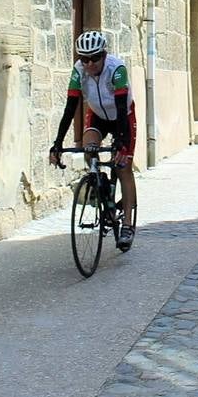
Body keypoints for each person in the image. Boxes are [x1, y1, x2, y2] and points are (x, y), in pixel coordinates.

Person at [49, 30, 137, 251]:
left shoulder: (116, 69)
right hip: (97, 115)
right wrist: (57, 143)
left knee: (123, 166)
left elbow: (119, 107)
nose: (89, 64)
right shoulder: (79, 71)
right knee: (89, 150)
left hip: (122, 117)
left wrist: (121, 143)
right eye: (84, 58)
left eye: (95, 58)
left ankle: (127, 224)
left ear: (104, 55)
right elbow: (70, 109)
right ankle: (102, 185)